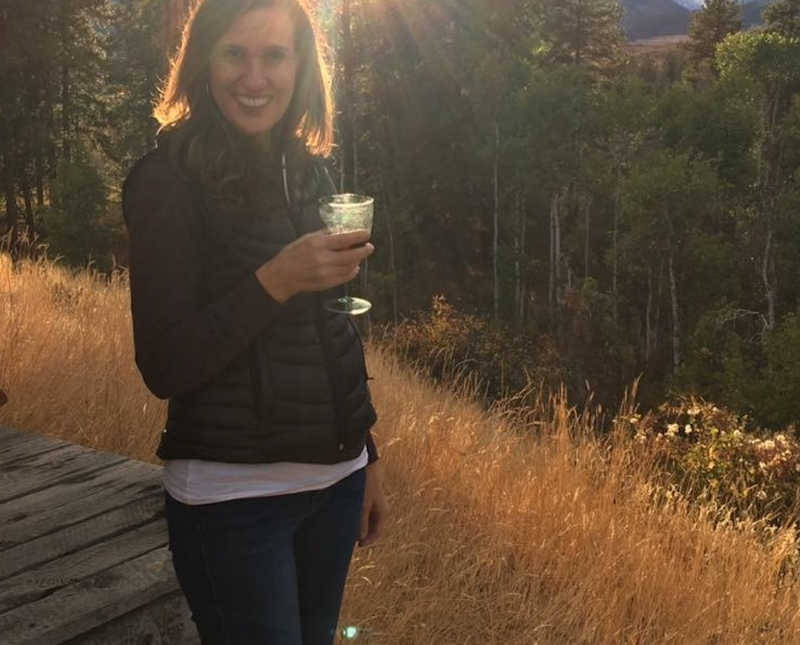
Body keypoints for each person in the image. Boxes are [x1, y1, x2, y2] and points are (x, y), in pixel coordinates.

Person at [121, 1, 388, 643]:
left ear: (301, 68)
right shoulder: (166, 181)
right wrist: (278, 278)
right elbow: (164, 364)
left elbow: (331, 330)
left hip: (336, 484)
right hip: (233, 501)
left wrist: (366, 450)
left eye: (274, 55)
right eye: (235, 53)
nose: (254, 77)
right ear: (203, 63)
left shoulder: (307, 168)